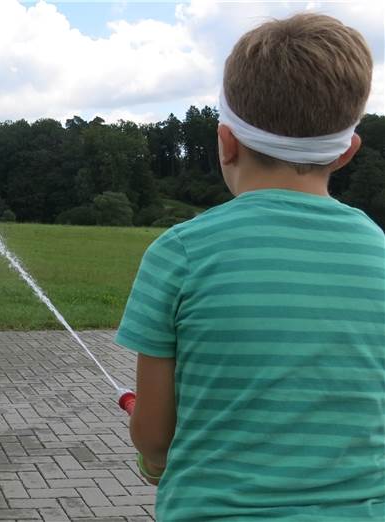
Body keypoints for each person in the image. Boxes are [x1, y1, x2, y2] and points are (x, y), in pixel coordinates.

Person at [116, 13, 384, 521]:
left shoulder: (180, 252)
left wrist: (154, 463)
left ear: (227, 142)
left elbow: (153, 434)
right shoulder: (379, 250)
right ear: (347, 153)